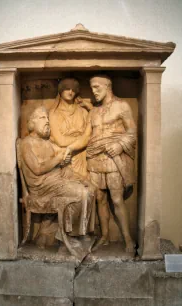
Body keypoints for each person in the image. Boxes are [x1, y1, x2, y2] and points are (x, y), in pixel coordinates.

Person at [64, 75, 136, 252]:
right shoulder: (94, 112)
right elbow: (86, 137)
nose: (93, 91)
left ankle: (128, 239)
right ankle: (104, 236)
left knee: (117, 199)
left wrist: (119, 145)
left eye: (97, 87)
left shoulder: (122, 106)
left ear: (108, 86)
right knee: (100, 199)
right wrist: (70, 147)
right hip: (95, 159)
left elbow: (133, 132)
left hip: (113, 160)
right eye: (91, 87)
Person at [20, 106, 96, 260]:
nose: (47, 121)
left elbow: (60, 164)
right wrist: (58, 159)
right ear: (32, 123)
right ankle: (68, 237)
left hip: (55, 181)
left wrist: (78, 176)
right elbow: (37, 168)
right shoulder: (27, 143)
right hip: (41, 187)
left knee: (90, 189)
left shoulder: (47, 143)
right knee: (79, 192)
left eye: (47, 118)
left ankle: (81, 233)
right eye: (42, 118)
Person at [49, 78, 90, 178]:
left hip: (83, 155)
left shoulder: (83, 112)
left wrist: (91, 108)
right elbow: (60, 140)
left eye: (73, 89)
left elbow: (90, 135)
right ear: (61, 90)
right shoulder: (54, 113)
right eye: (67, 89)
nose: (71, 92)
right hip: (65, 156)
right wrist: (82, 140)